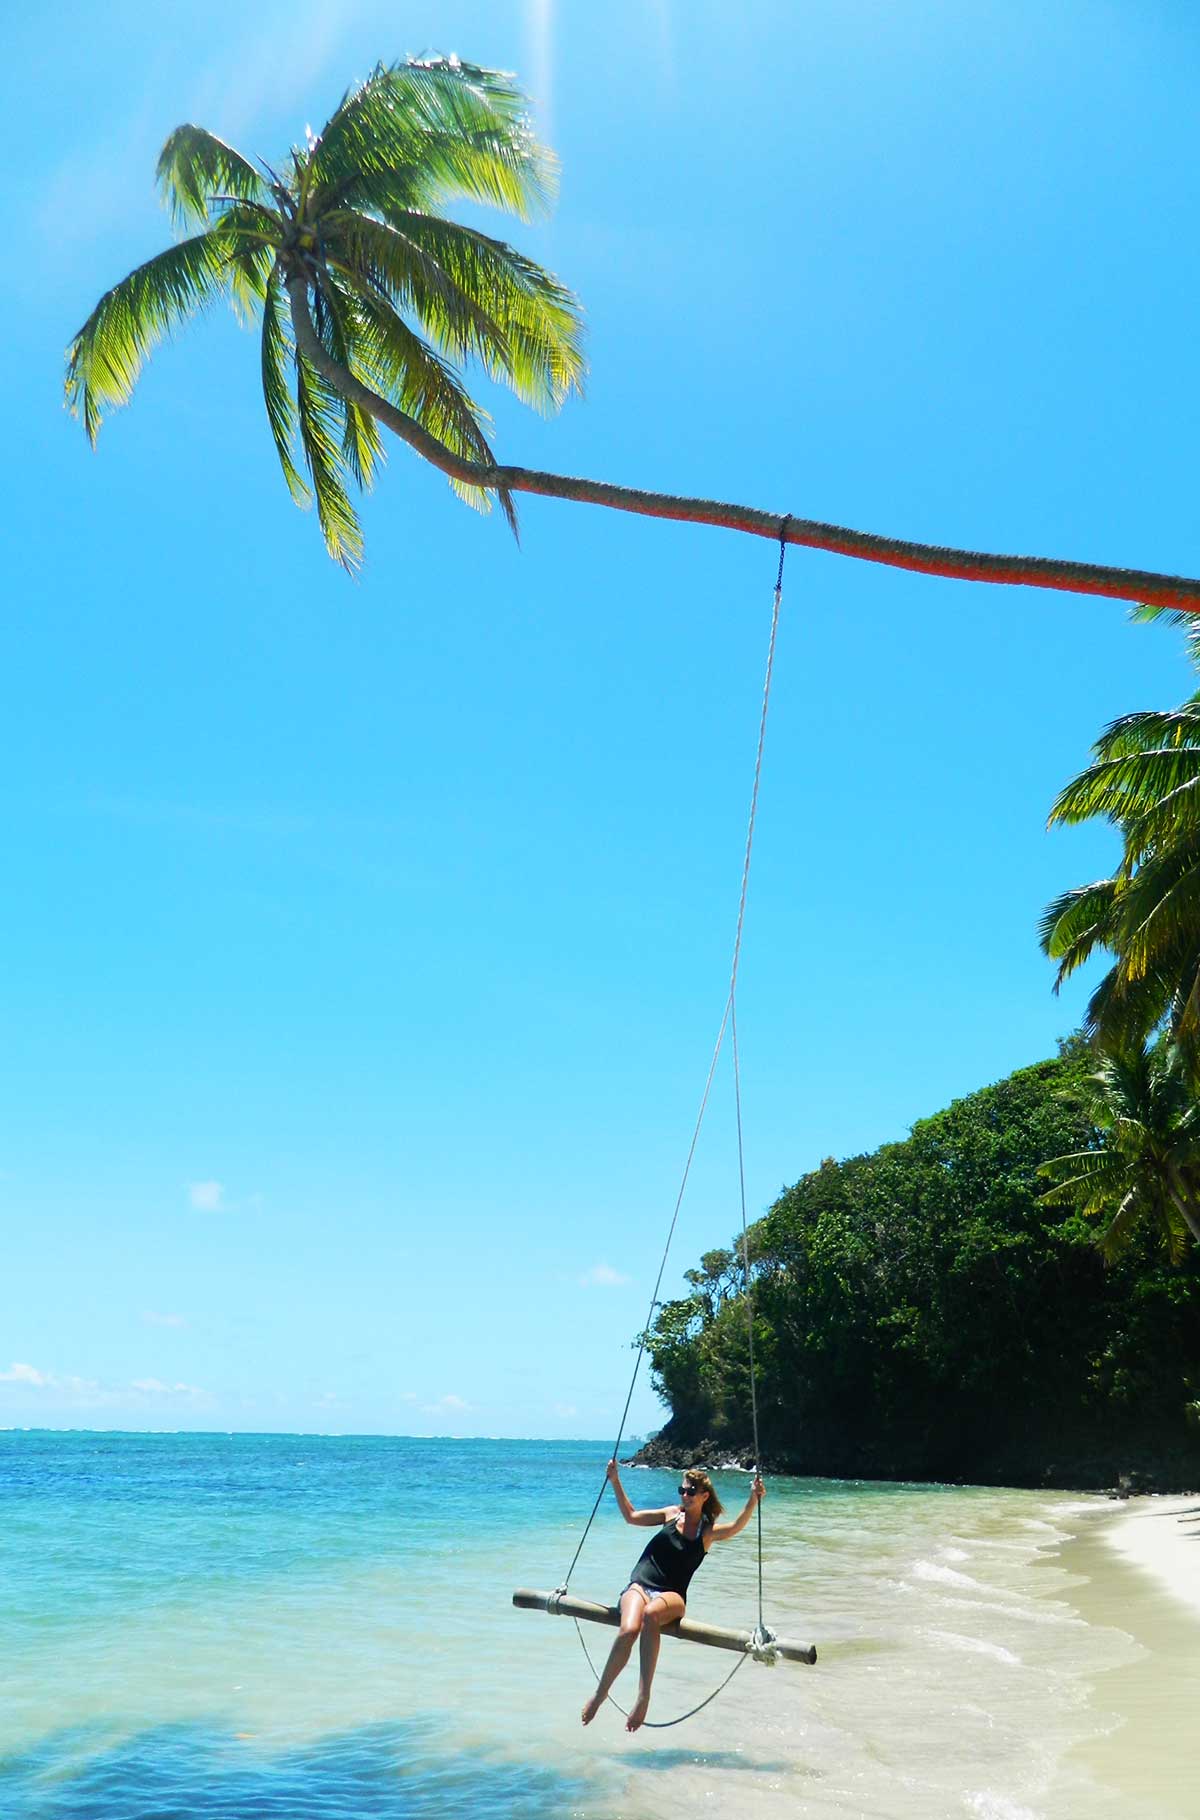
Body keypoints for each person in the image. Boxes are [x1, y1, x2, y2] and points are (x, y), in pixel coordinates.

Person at [580, 1459, 766, 1732]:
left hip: (672, 1594)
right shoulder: (670, 1514)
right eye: (682, 1490)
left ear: (704, 1497)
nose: (685, 1496)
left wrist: (753, 1500)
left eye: (690, 1492)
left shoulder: (707, 1532)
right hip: (640, 1585)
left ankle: (643, 1697)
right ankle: (600, 1694)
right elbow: (631, 1516)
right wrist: (615, 1481)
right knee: (628, 1629)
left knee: (651, 1615)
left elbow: (737, 1526)